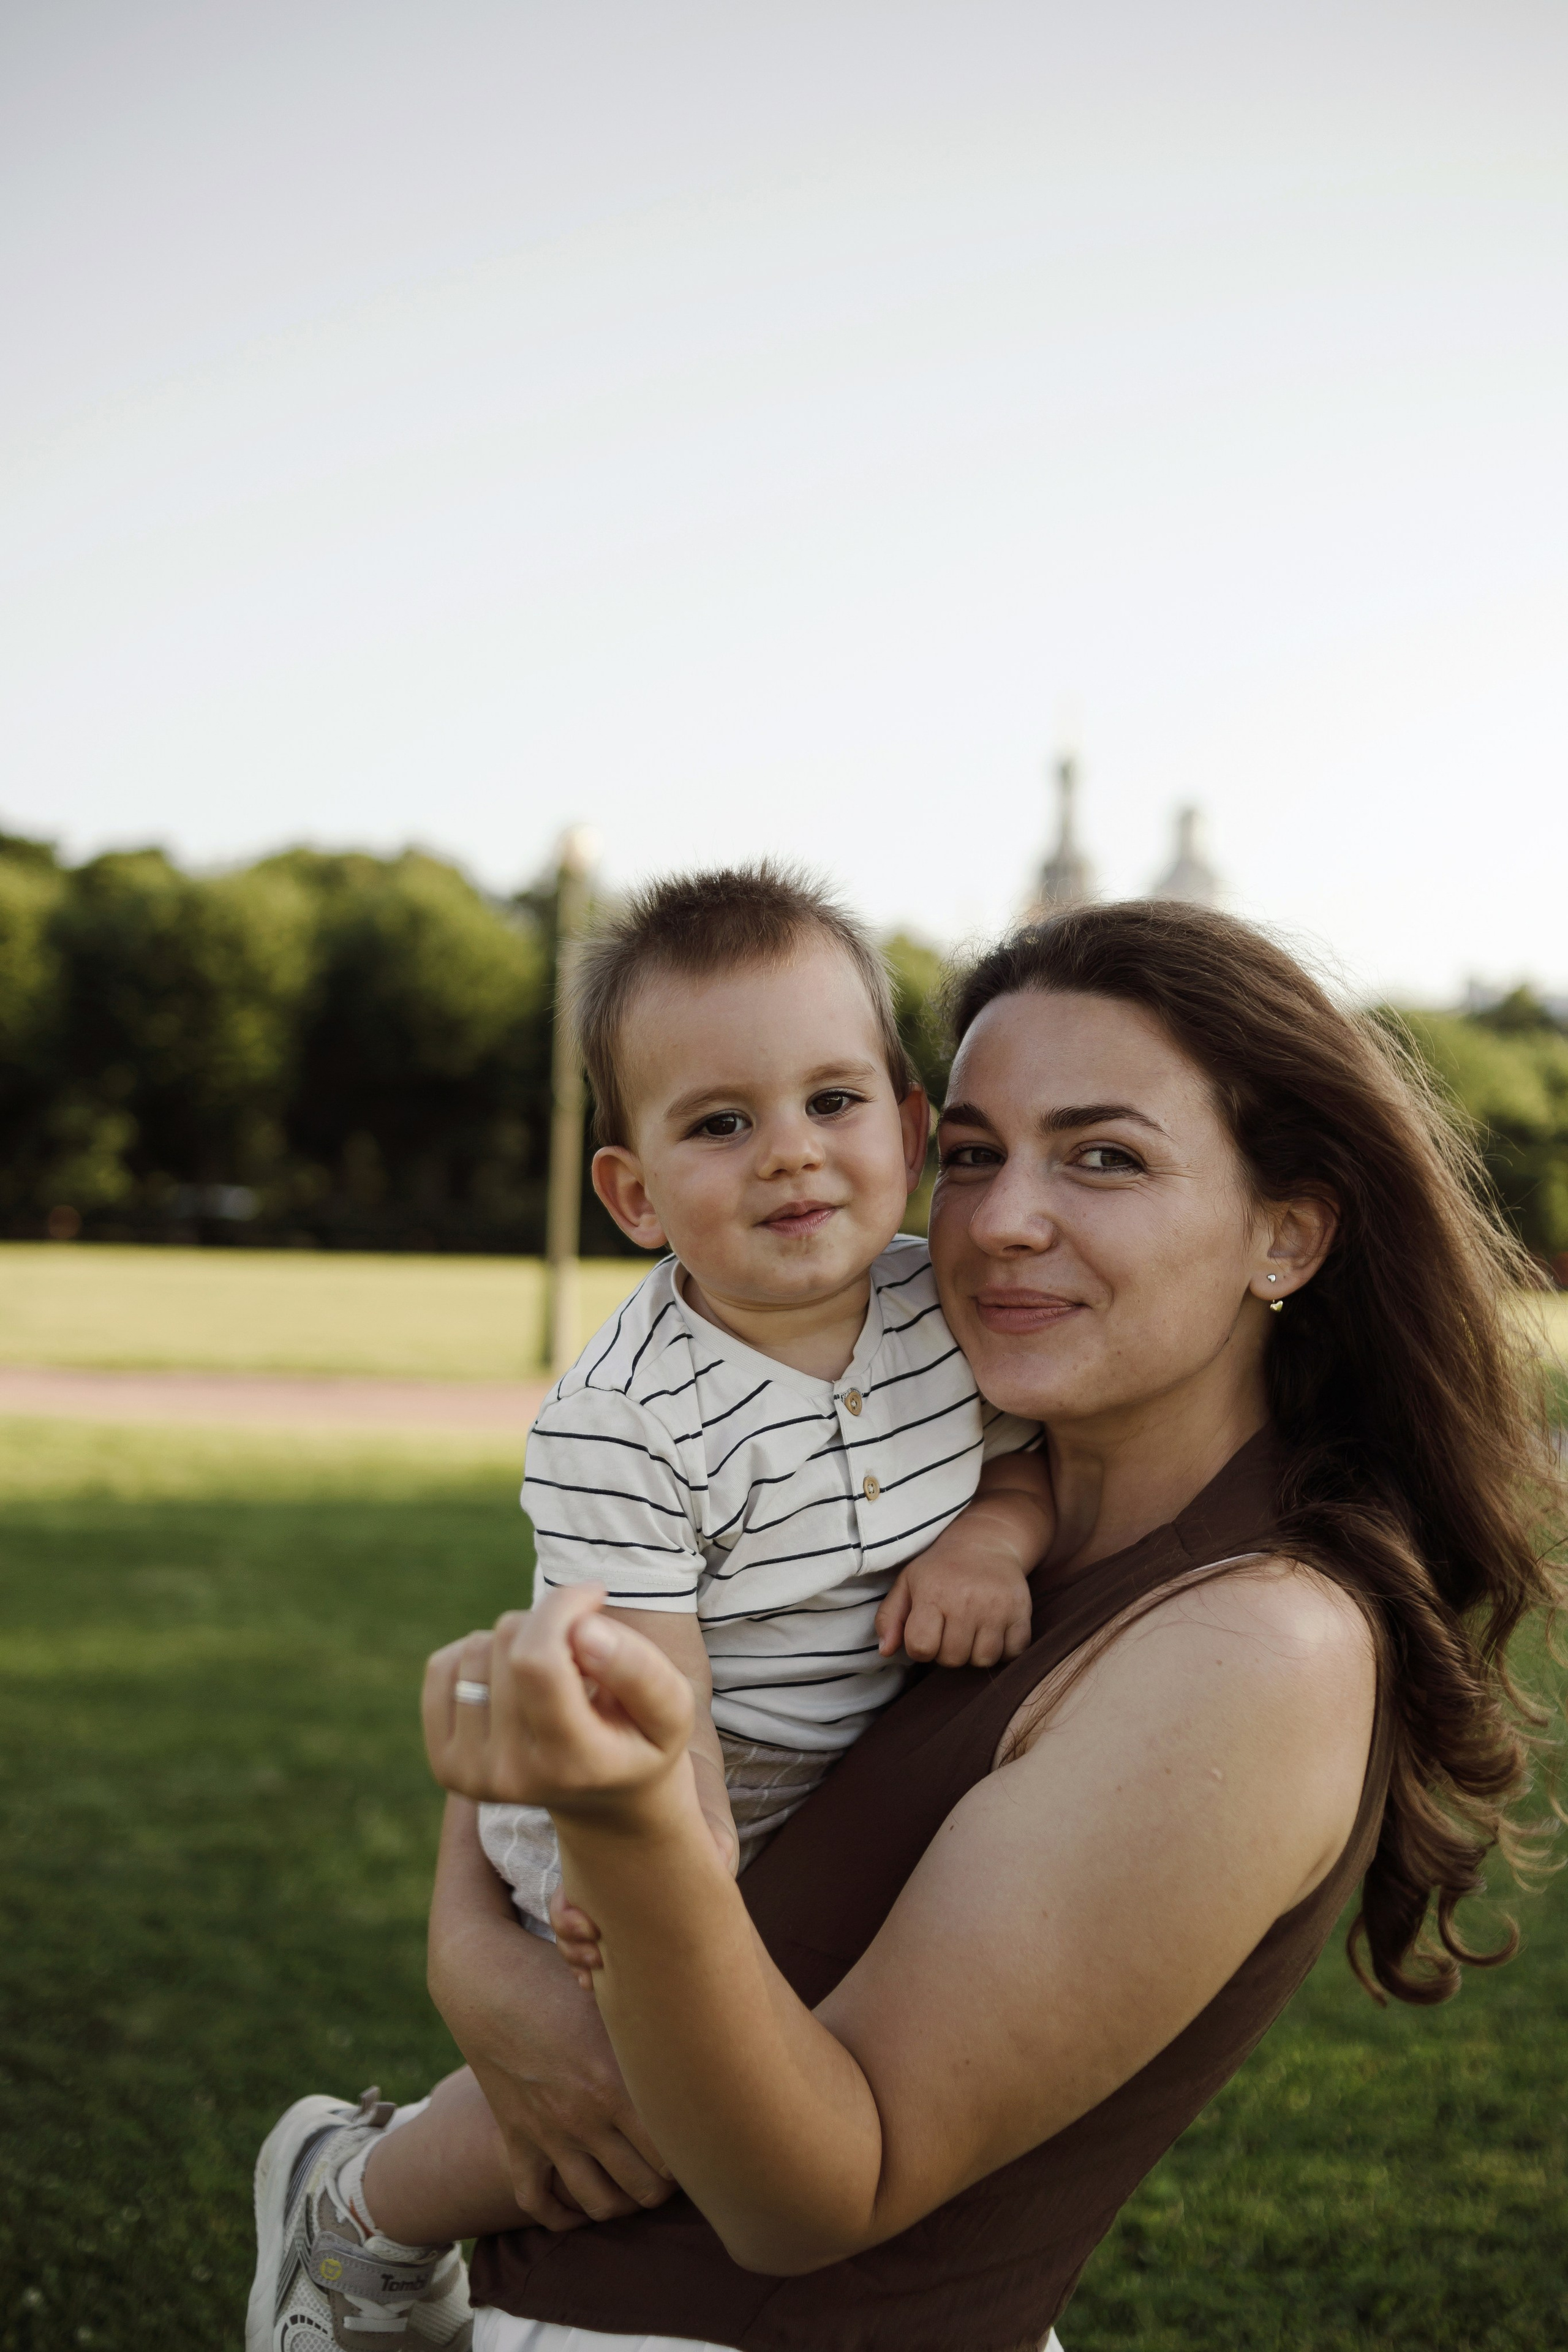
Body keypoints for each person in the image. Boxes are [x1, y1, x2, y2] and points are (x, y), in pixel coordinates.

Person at [417, 900, 1558, 2352]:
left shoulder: (1255, 1642)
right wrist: (468, 1949)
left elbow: (815, 2199)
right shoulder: (912, 1487)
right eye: (971, 1156)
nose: (1003, 1216)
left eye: (1103, 1156)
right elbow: (610, 1672)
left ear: (1283, 1233)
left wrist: (613, 1849)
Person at [247, 866, 1052, 2352]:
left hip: (828, 1779)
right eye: (720, 1123)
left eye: (831, 1101)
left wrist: (991, 1544)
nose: (790, 1158)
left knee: (815, 2077)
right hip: (640, 1780)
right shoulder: (620, 1418)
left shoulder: (938, 1303)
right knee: (632, 2089)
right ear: (630, 1192)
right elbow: (641, 1681)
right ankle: (359, 2205)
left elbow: (1021, 1470)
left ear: (911, 1125)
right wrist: (658, 1887)